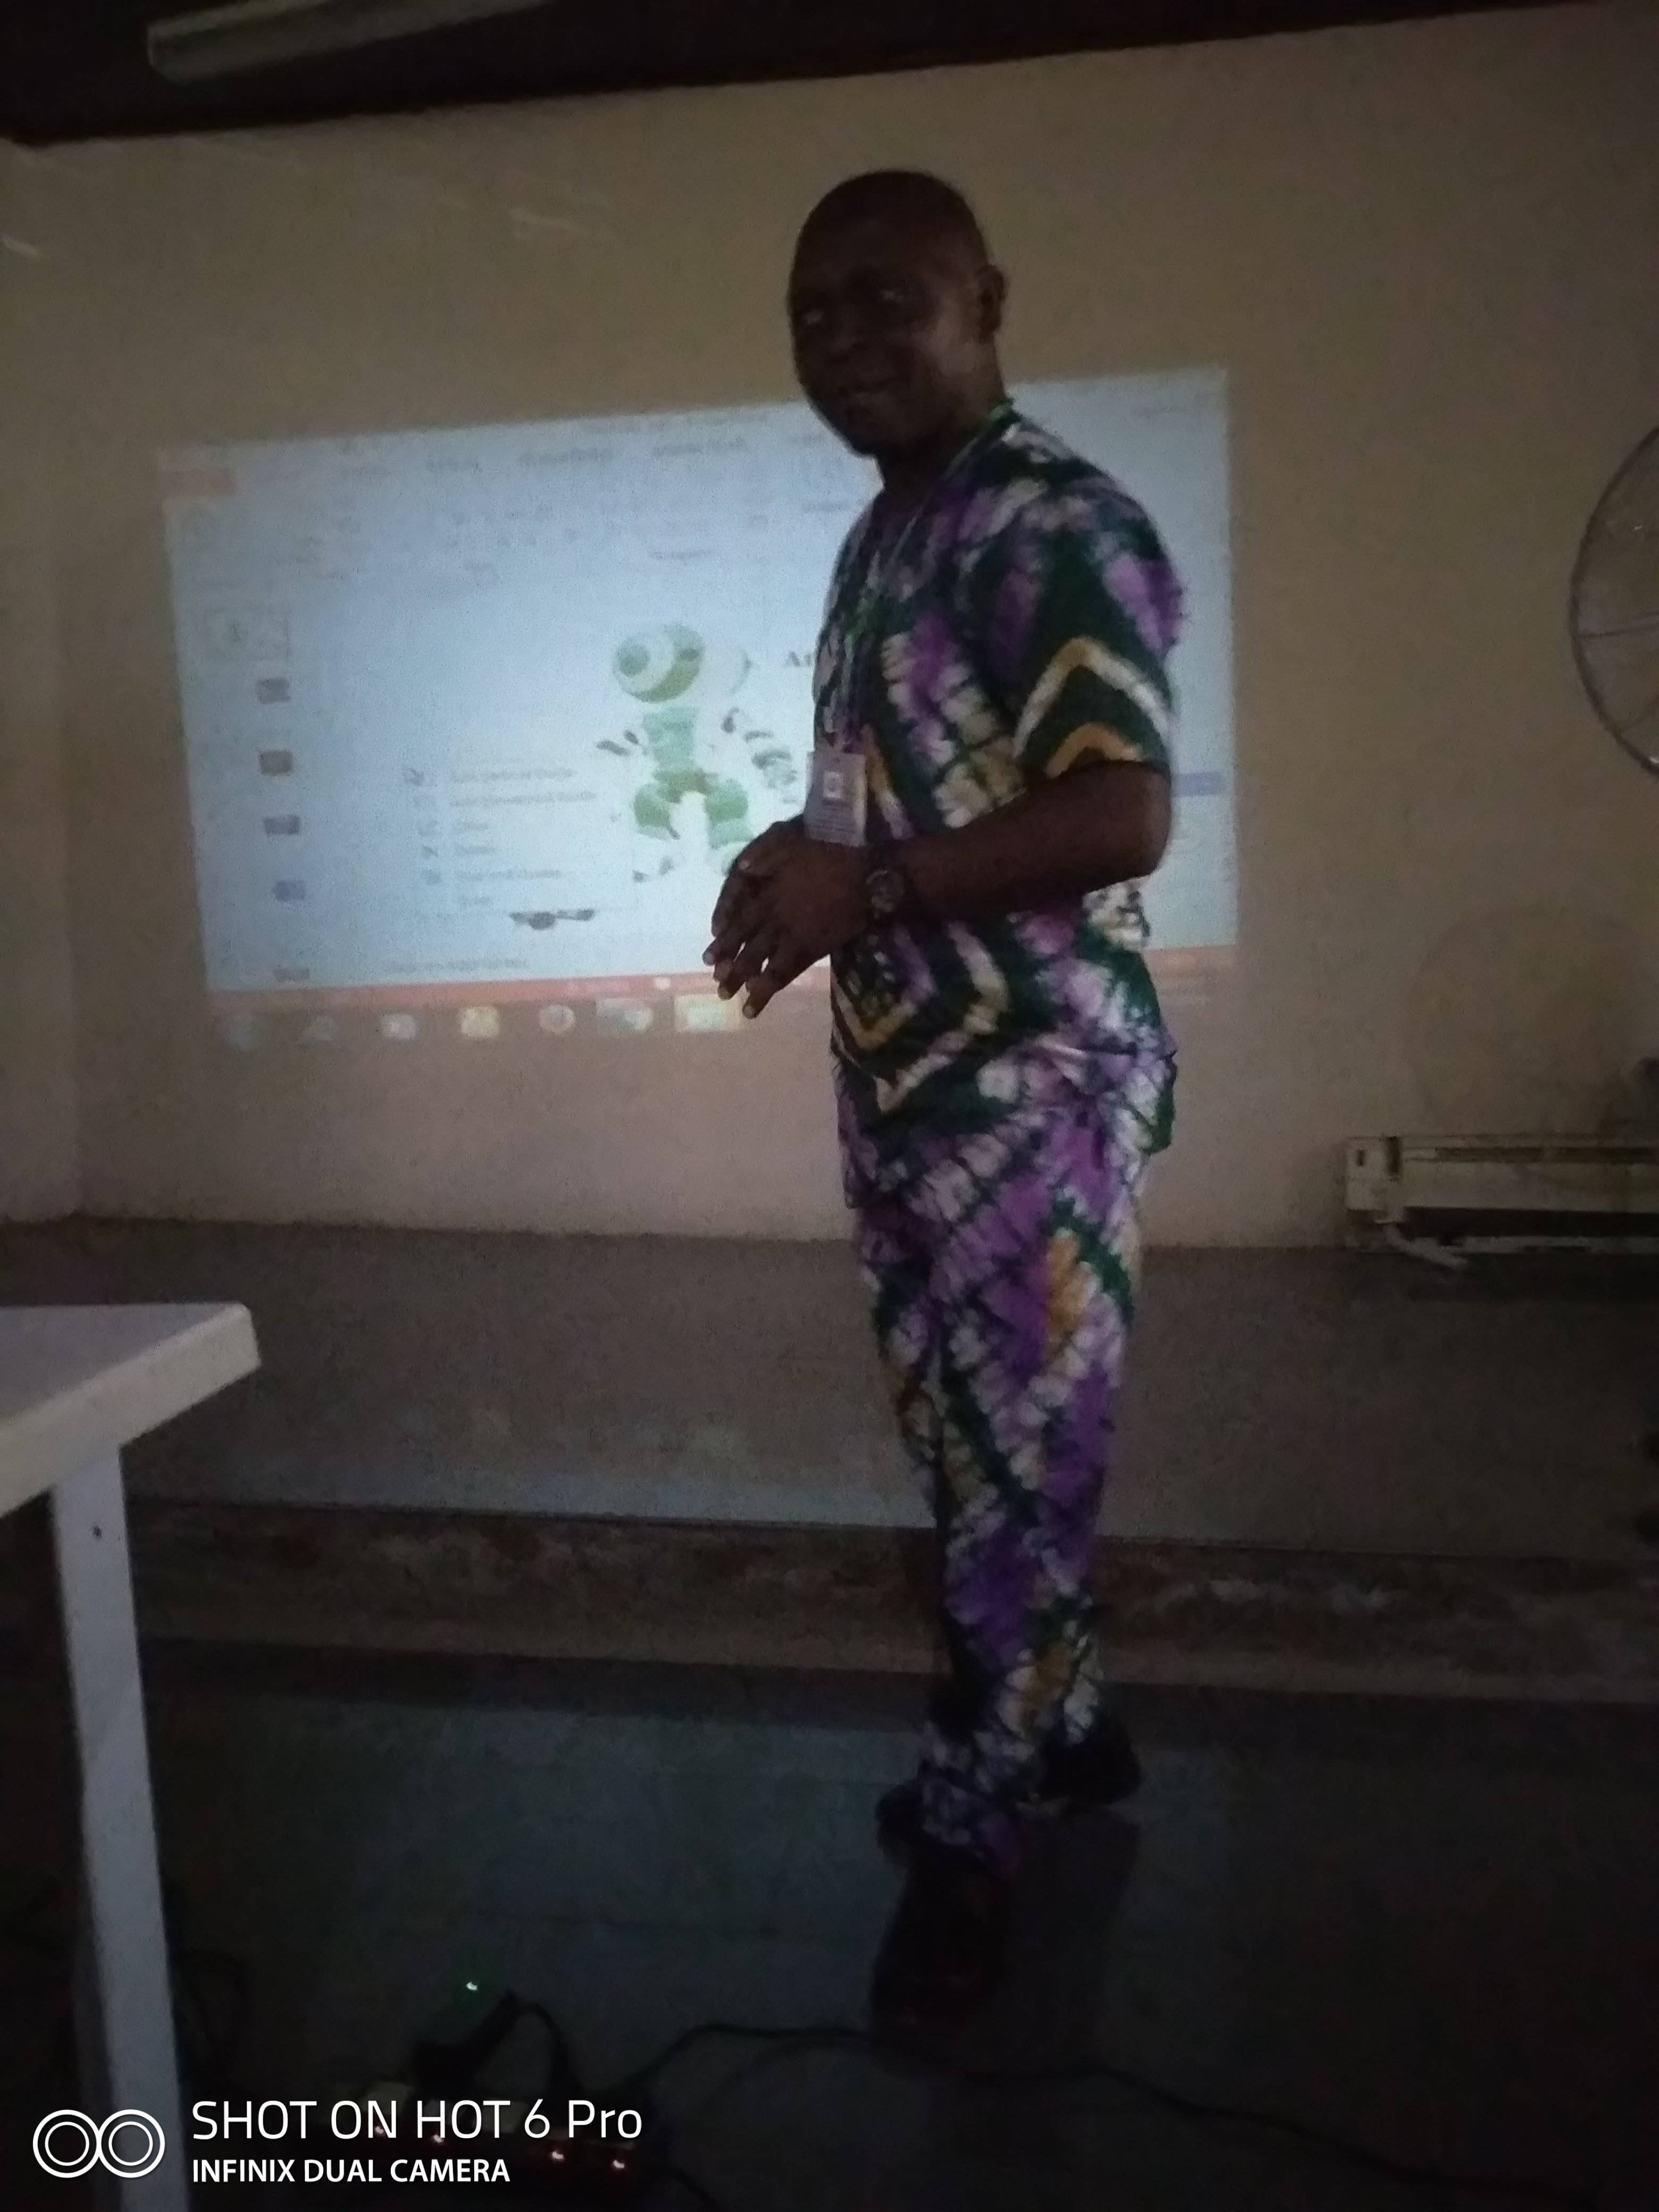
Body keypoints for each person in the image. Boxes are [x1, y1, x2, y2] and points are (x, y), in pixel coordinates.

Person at [704, 170, 1183, 2029]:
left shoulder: (1056, 522)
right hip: (910, 1085)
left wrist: (877, 886)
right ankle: (1075, 1731)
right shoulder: (886, 534)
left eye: (886, 297)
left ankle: (976, 1848)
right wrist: (801, 861)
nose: (844, 339)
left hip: (1035, 1100)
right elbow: (896, 795)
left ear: (987, 298)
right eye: (813, 313)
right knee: (980, 1462)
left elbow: (1121, 811)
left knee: (1008, 1486)